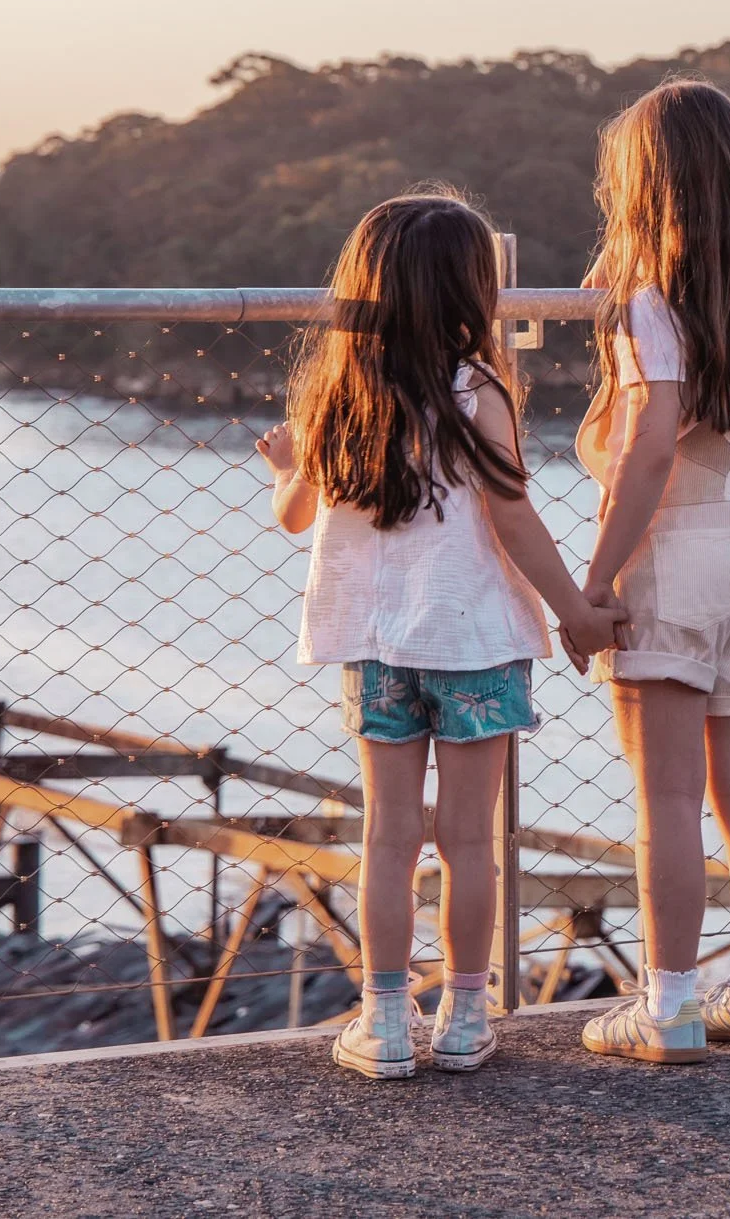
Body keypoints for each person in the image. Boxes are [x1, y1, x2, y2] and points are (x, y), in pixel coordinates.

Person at [258, 189, 625, 1080]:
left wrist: (287, 465)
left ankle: (383, 1021)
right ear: (468, 290)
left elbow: (296, 518)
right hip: (473, 641)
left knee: (388, 836)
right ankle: (464, 1014)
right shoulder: (478, 388)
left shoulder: (338, 390)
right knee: (469, 841)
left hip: (378, 645)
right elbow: (512, 517)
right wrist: (576, 608)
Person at [575, 78, 730, 1063]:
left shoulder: (648, 302)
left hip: (680, 552)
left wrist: (594, 581)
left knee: (664, 794)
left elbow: (651, 448)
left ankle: (666, 1001)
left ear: (645, 182)